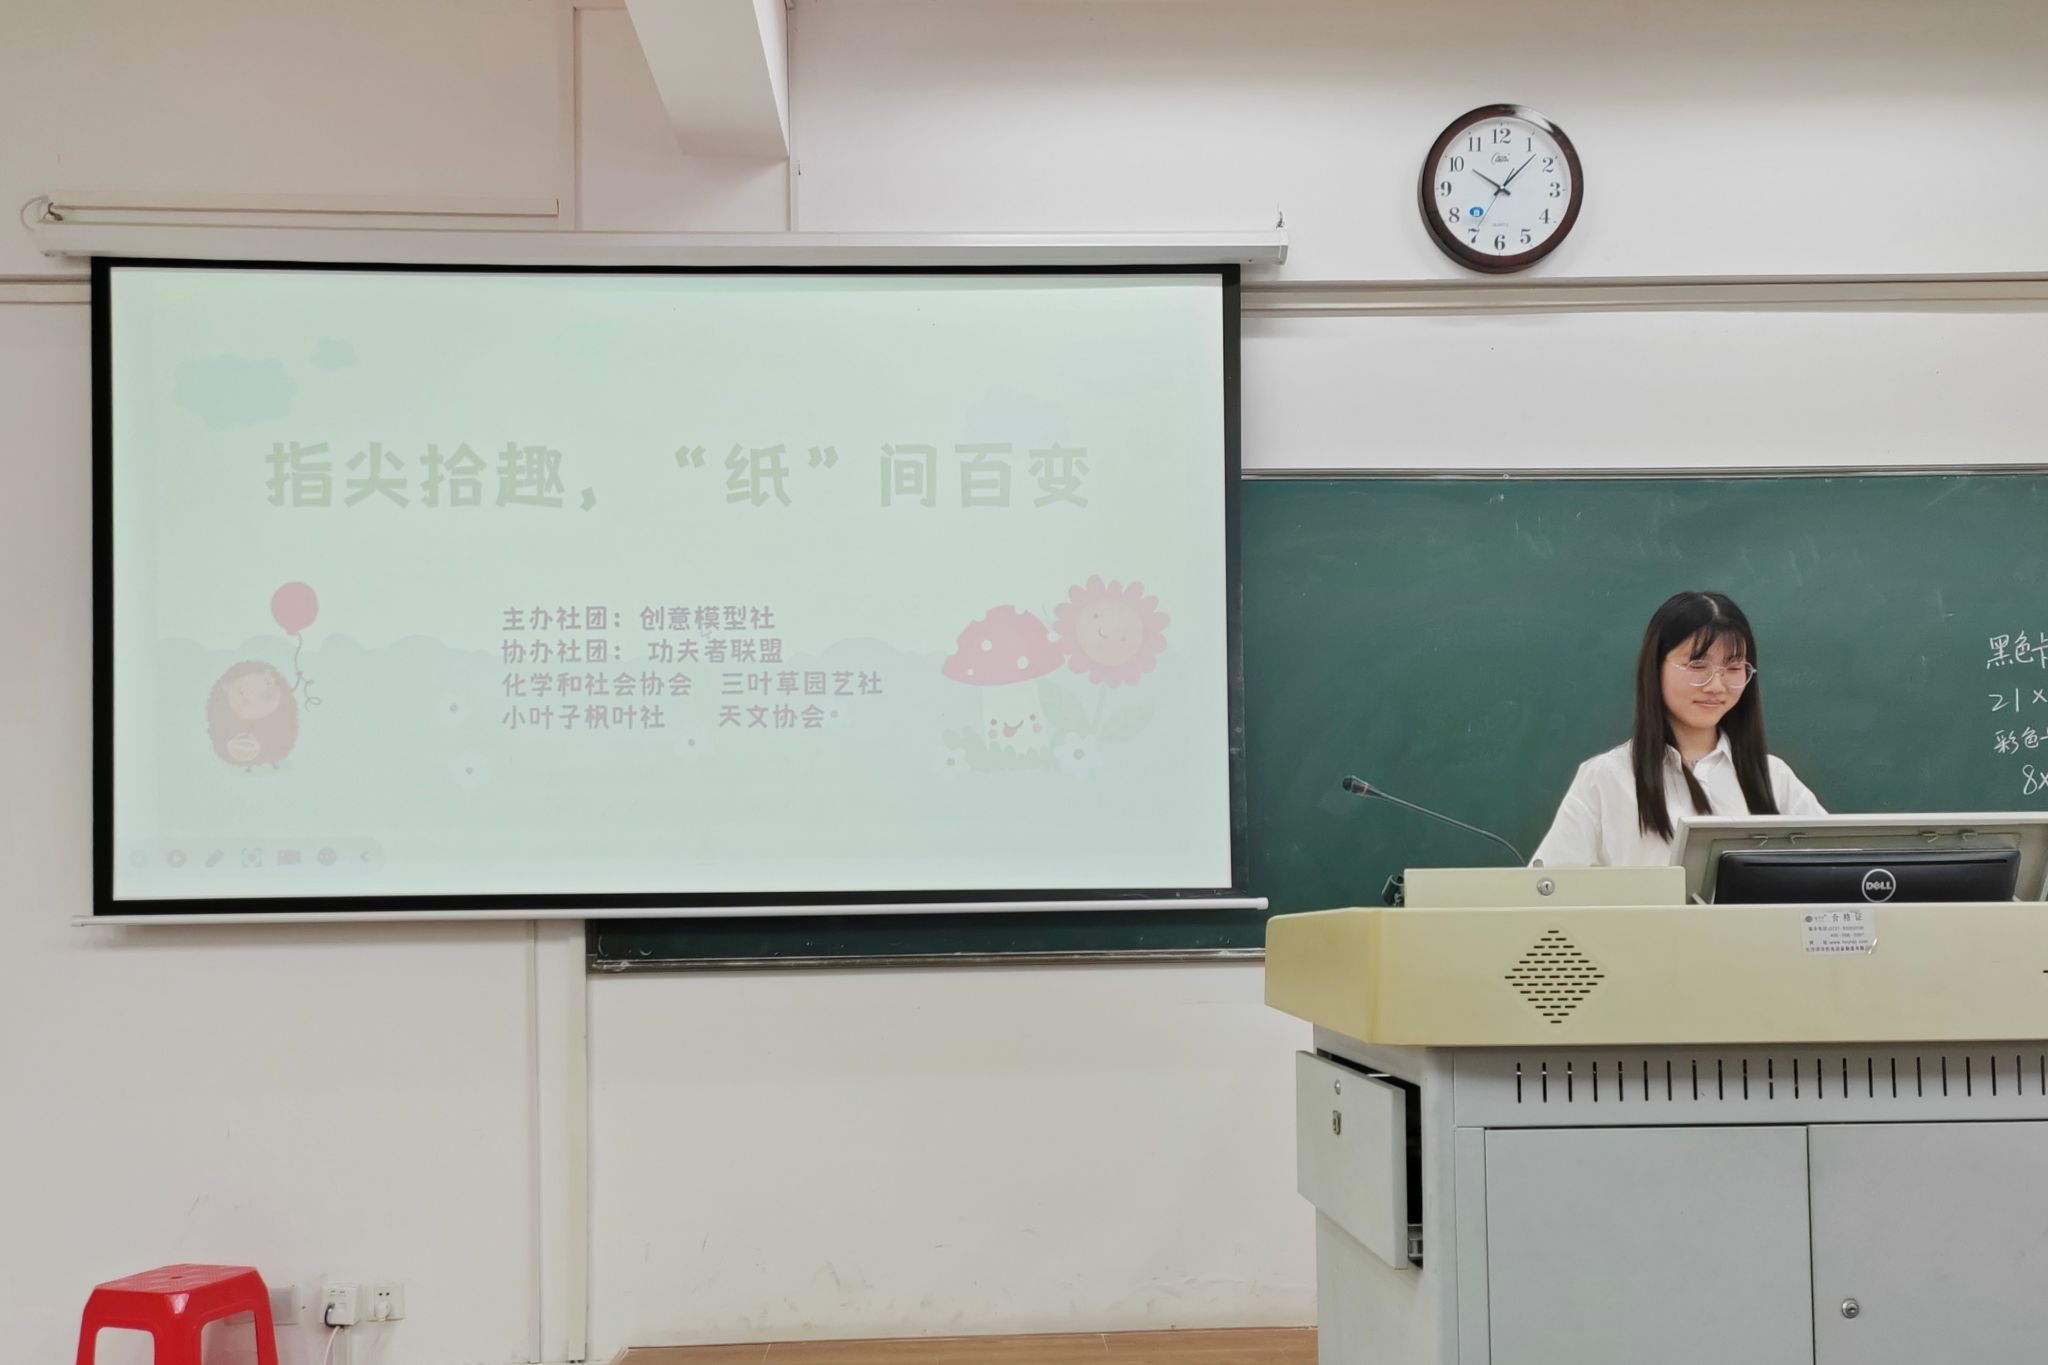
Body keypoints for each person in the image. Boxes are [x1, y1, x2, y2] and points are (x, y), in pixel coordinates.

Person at [1531, 590, 1825, 868]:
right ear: (1655, 666)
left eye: (1734, 668)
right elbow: (1548, 889)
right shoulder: (1606, 778)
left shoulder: (1774, 777)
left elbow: (1837, 867)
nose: (1716, 685)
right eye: (1697, 666)